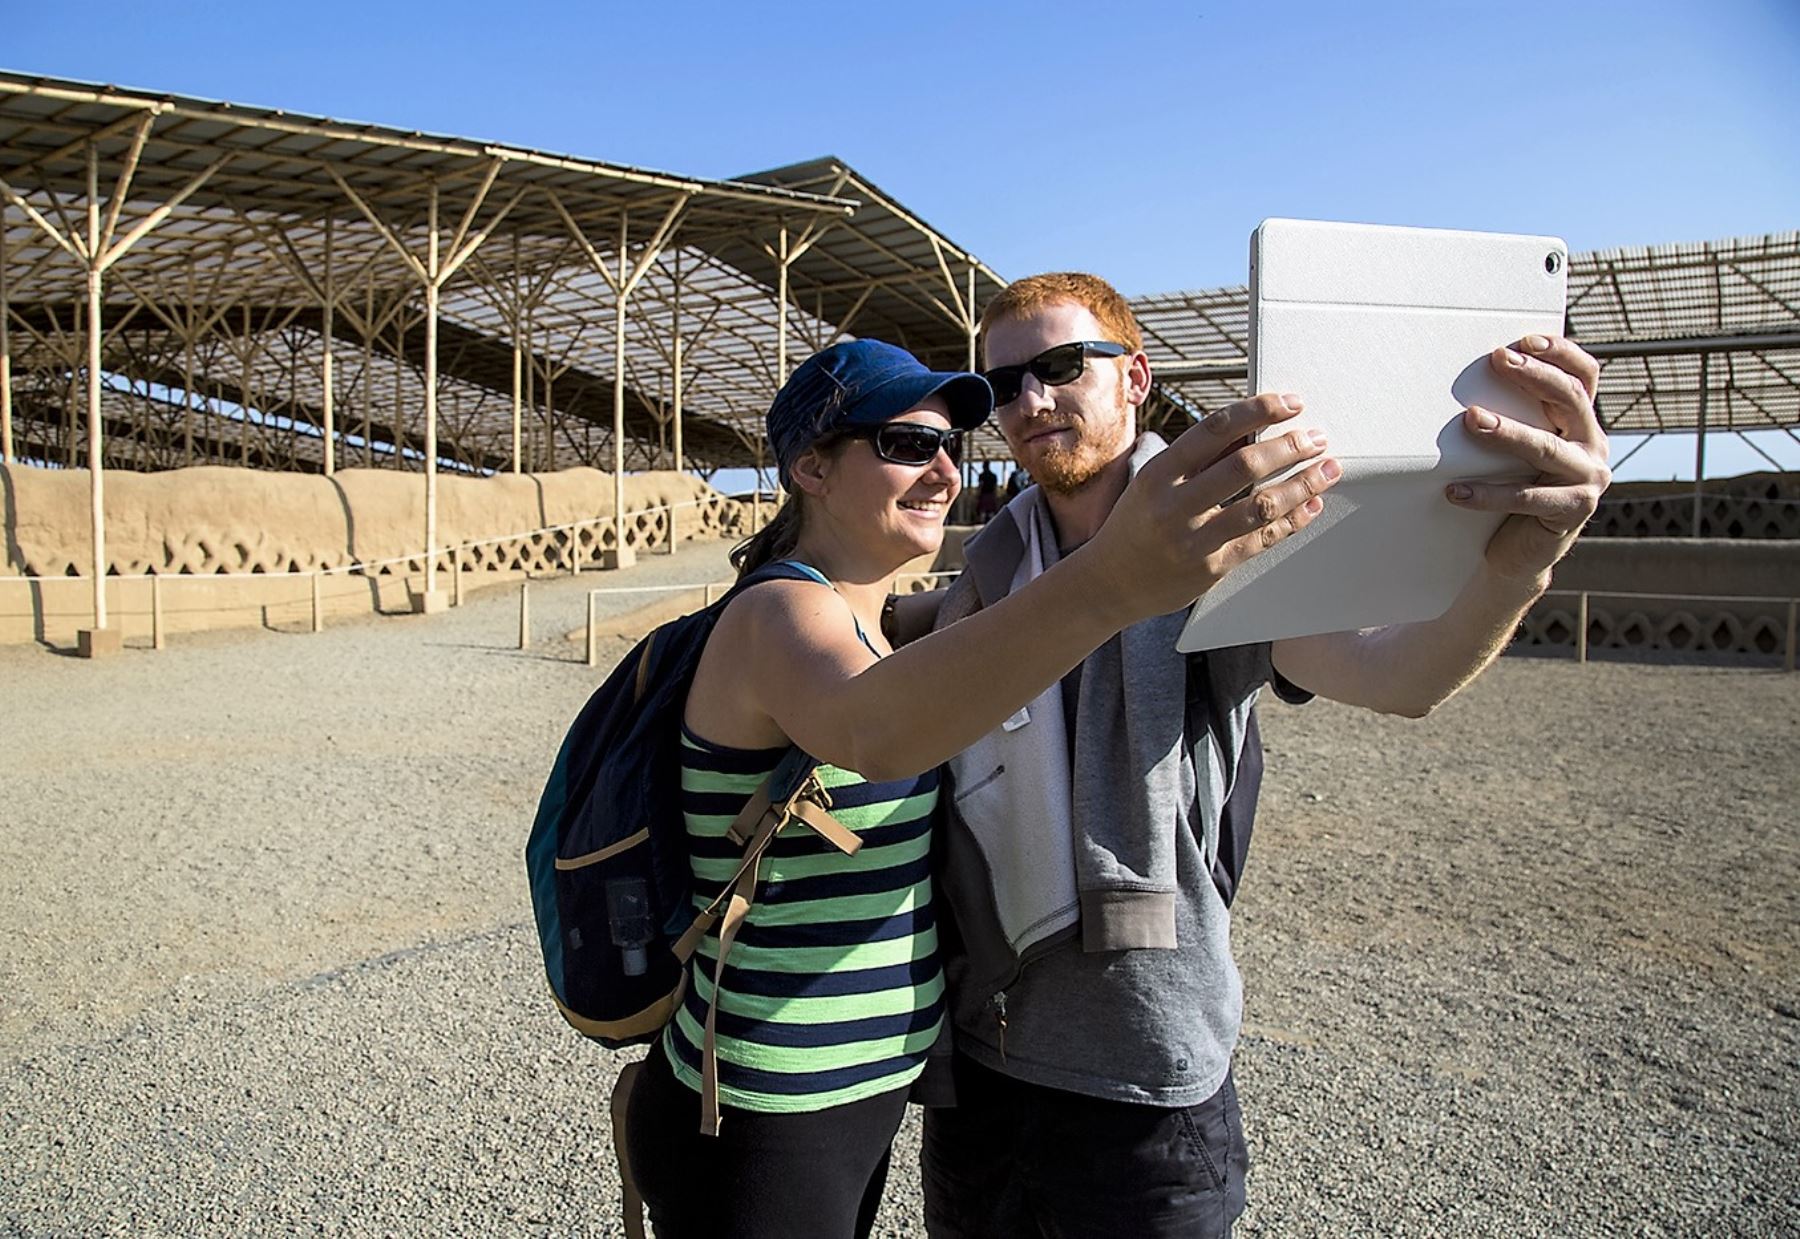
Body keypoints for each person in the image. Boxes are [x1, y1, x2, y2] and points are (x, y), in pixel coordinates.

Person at [919, 272, 1612, 1238]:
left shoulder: (1226, 544)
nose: (1031, 400)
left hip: (1147, 1080)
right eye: (1003, 385)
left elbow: (1401, 673)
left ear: (1135, 378)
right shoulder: (987, 571)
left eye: (1061, 366)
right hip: (983, 1063)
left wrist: (1524, 557)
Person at [619, 336, 1343, 1238]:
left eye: (949, 448)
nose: (941, 472)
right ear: (810, 465)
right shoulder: (780, 613)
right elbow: (876, 730)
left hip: (847, 1097)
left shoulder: (875, 620)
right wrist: (1116, 576)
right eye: (906, 445)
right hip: (761, 1104)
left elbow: (984, 631)